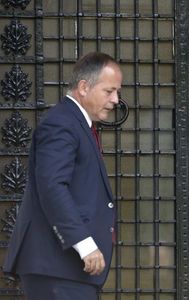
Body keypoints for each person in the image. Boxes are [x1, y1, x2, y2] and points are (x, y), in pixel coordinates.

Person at [2, 52, 121, 299]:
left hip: (66, 270)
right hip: (58, 267)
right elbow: (52, 186)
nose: (116, 99)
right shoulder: (62, 123)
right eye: (109, 91)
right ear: (84, 87)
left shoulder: (75, 123)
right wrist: (84, 244)